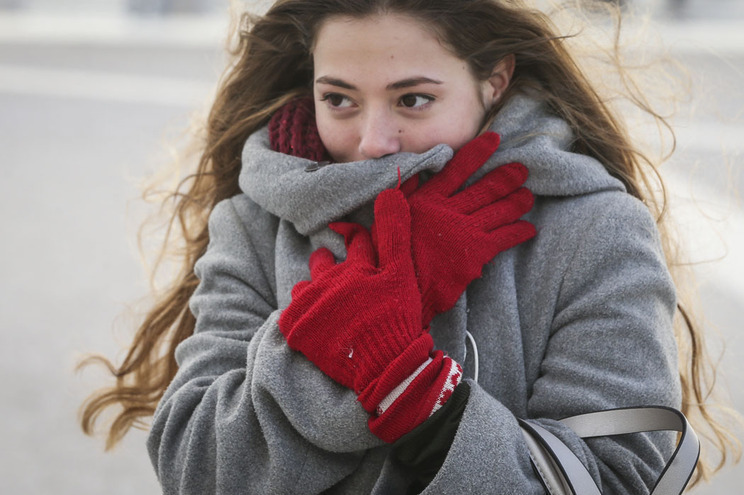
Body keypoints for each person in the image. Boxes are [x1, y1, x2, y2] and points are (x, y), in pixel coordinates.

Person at [79, 0, 740, 493]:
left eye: (414, 99)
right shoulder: (256, 223)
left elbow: (620, 476)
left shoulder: (592, 228)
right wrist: (335, 351)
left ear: (495, 80)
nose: (373, 140)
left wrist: (424, 403)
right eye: (339, 99)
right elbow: (198, 465)